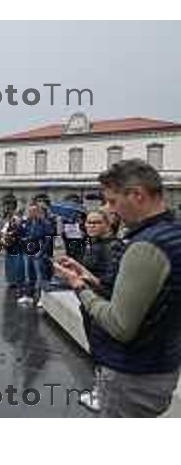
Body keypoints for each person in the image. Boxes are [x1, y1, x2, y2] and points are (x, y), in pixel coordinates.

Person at [55, 159, 181, 418]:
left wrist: (79, 287)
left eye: (112, 202)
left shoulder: (146, 245)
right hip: (159, 364)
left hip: (133, 375)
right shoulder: (171, 232)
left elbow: (120, 325)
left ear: (137, 195)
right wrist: (90, 278)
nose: (108, 210)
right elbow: (147, 297)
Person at [75, 208, 126, 412]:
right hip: (90, 303)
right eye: (88, 222)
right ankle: (100, 389)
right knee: (96, 349)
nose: (90, 226)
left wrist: (82, 278)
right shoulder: (94, 244)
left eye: (96, 223)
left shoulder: (113, 247)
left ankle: (102, 395)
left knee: (102, 351)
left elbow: (109, 284)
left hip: (102, 306)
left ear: (107, 224)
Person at [18, 203, 53, 307]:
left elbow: (48, 238)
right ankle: (28, 295)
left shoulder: (45, 223)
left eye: (33, 211)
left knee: (40, 275)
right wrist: (20, 226)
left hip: (38, 250)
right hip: (28, 250)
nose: (31, 213)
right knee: (29, 274)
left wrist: (42, 252)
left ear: (38, 211)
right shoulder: (27, 222)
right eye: (29, 211)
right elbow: (22, 234)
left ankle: (42, 298)